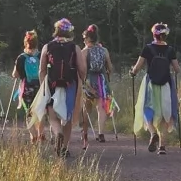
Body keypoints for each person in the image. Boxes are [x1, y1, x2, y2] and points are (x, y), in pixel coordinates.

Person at [37, 18, 87, 157]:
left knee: (52, 116)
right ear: (69, 31)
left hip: (52, 84)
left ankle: (57, 132)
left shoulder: (47, 47)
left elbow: (41, 69)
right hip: (70, 85)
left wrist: (43, 86)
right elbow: (82, 69)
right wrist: (83, 81)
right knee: (68, 117)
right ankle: (64, 147)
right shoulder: (74, 47)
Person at [131, 23, 180, 154]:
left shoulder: (148, 48)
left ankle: (153, 133)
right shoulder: (170, 50)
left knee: (146, 109)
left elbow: (138, 66)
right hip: (165, 85)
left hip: (150, 84)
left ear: (154, 34)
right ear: (165, 35)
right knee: (165, 113)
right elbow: (177, 69)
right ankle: (162, 147)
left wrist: (133, 72)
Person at [80, 24, 114, 149]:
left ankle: (85, 133)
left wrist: (83, 82)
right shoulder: (104, 50)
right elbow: (110, 67)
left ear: (88, 39)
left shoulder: (84, 52)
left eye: (84, 38)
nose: (83, 40)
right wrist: (108, 76)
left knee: (87, 107)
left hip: (90, 80)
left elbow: (83, 70)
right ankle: (101, 133)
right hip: (102, 79)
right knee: (101, 107)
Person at [14, 30, 44, 143]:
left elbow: (15, 74)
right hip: (40, 87)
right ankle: (41, 134)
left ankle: (33, 136)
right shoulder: (41, 55)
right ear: (36, 43)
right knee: (40, 111)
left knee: (29, 112)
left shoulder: (21, 57)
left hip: (26, 87)